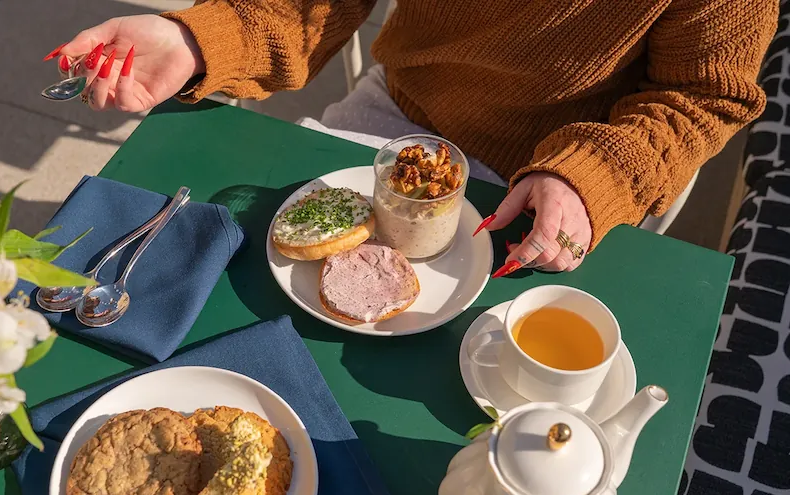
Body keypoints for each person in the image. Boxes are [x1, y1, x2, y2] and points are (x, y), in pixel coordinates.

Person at [48, 1, 777, 274]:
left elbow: (701, 96)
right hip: (397, 117)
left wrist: (594, 178)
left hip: (556, 180)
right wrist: (195, 39)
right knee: (239, 266)